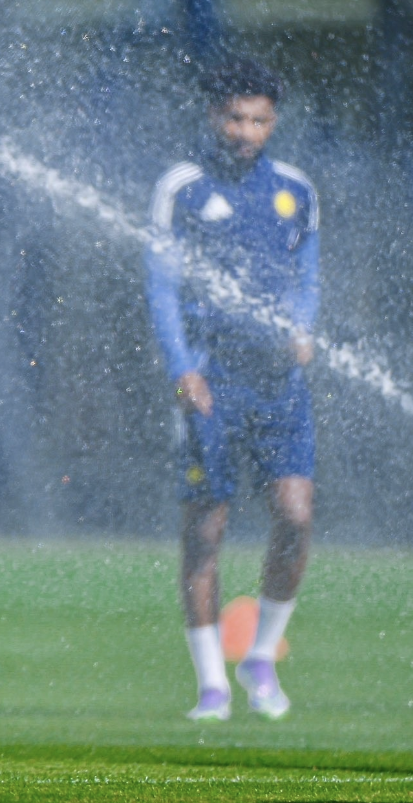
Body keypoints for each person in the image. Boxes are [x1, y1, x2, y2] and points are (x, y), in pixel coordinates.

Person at [145, 59, 319, 722]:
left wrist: (302, 329)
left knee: (296, 514)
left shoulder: (296, 189)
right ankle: (212, 684)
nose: (246, 131)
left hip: (280, 384)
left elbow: (308, 275)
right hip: (210, 383)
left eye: (259, 120)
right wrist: (181, 367)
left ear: (273, 122)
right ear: (213, 116)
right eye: (235, 118)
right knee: (207, 529)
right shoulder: (182, 187)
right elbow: (160, 284)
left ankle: (261, 659)